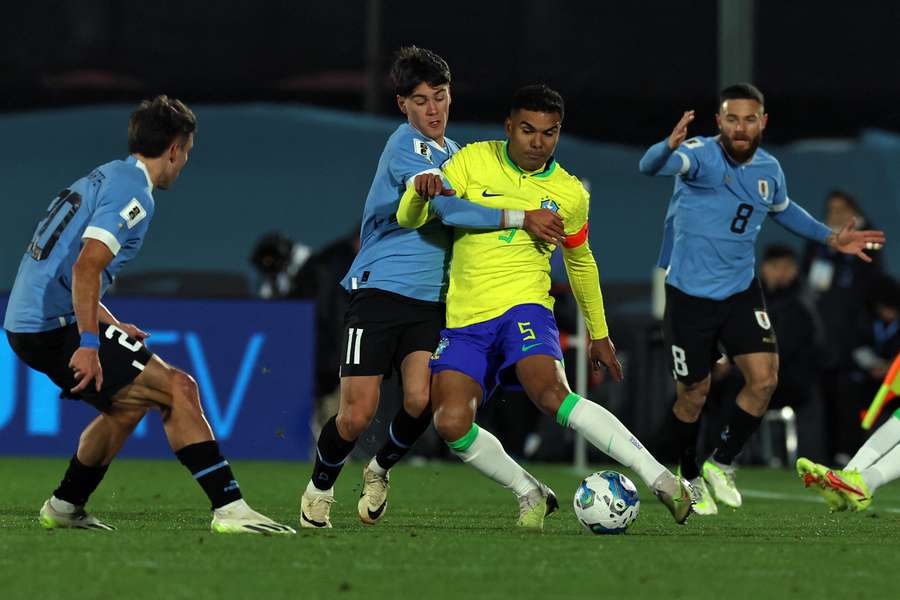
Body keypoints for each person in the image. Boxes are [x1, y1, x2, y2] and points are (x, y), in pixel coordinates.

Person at [398, 84, 693, 525]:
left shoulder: (569, 192)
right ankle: (529, 490)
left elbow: (580, 260)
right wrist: (417, 194)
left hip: (526, 307)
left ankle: (662, 480)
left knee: (553, 394)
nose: (538, 143)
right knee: (450, 422)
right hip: (466, 319)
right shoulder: (473, 160)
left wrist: (600, 331)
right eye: (527, 131)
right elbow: (414, 217)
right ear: (508, 128)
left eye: (549, 133)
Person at [298, 48, 563, 529]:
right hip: (379, 292)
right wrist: (522, 218)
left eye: (439, 97)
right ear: (404, 106)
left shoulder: (459, 156)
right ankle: (320, 485)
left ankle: (379, 470)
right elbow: (450, 212)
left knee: (422, 401)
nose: (433, 110)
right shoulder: (406, 147)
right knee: (357, 414)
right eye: (420, 101)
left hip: (434, 300)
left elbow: (480, 203)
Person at [3, 95, 294, 534]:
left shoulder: (107, 175)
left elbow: (64, 269)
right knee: (178, 387)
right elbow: (85, 267)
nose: (184, 164)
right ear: (175, 148)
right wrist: (88, 342)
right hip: (51, 327)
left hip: (29, 321)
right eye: (188, 154)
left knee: (127, 407)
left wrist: (108, 322)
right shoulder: (133, 192)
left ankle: (65, 505)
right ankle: (230, 509)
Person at [638, 83, 885, 515]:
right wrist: (665, 146)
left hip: (739, 290)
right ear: (719, 121)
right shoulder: (698, 155)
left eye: (749, 119)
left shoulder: (769, 168)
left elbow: (783, 208)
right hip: (689, 295)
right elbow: (652, 166)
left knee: (765, 379)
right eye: (732, 118)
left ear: (763, 122)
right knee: (693, 395)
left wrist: (830, 237)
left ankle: (721, 463)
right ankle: (690, 475)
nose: (740, 127)